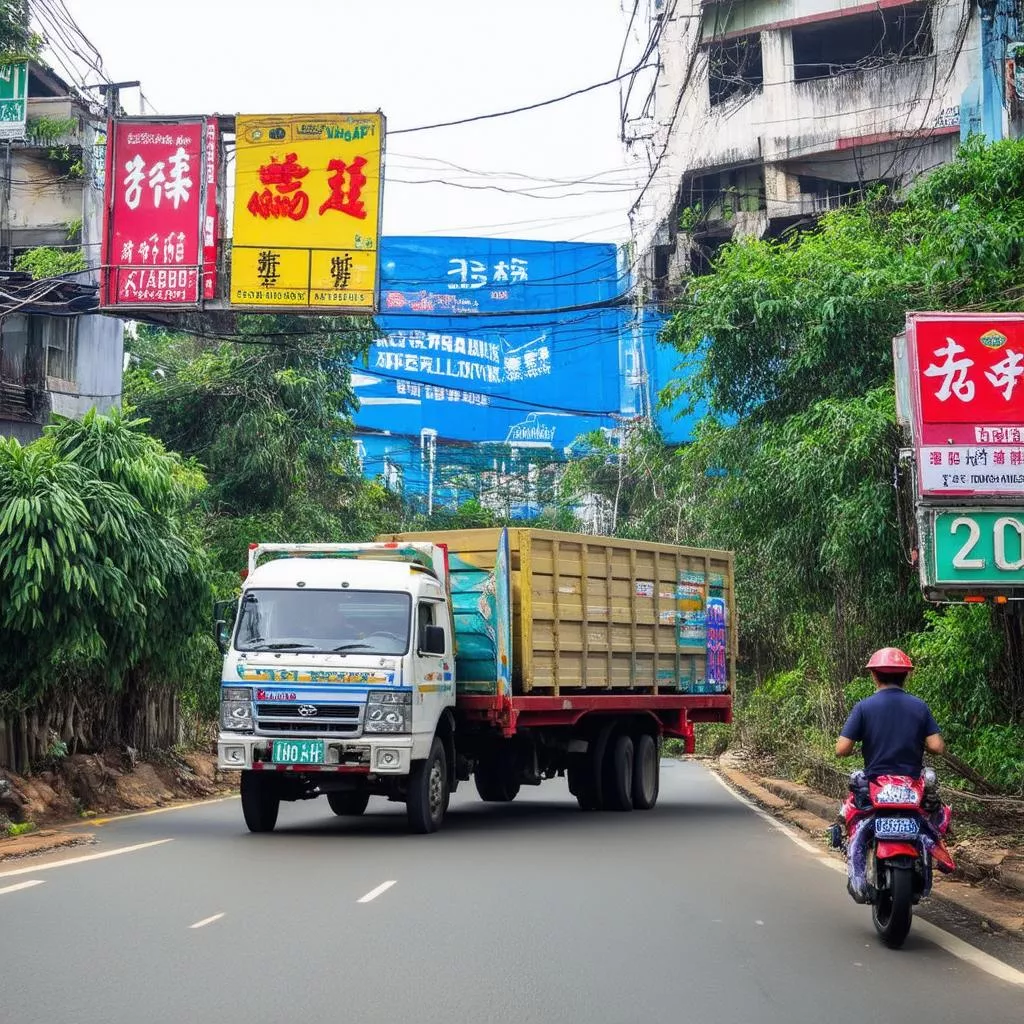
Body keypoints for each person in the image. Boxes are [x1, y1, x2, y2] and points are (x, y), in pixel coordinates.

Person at [835, 647, 945, 777]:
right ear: (906, 675)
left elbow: (842, 749)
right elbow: (937, 747)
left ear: (874, 675)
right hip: (912, 783)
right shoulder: (920, 706)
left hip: (876, 783)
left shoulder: (863, 707)